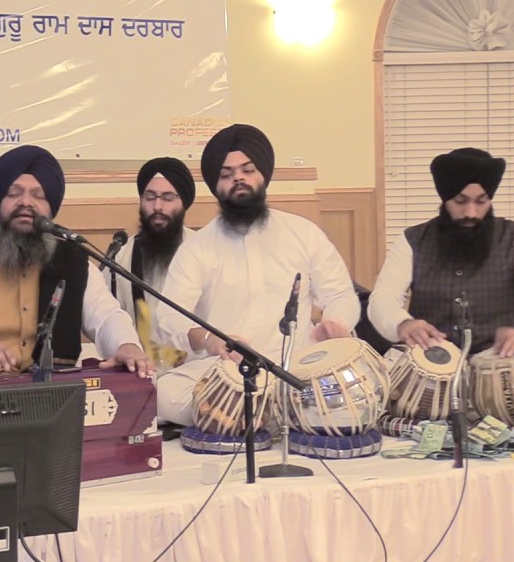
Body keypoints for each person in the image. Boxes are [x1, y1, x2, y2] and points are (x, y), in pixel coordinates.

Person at [154, 124, 360, 425]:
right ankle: (274, 415)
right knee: (164, 392)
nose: (239, 179)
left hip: (295, 367)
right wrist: (209, 340)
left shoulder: (303, 233)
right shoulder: (197, 248)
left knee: (352, 390)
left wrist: (335, 322)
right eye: (226, 175)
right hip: (225, 372)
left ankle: (242, 418)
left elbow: (340, 293)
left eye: (248, 170)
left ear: (262, 175)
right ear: (216, 186)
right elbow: (170, 316)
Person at [0, 145, 152, 382]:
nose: (25, 202)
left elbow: (107, 317)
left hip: (55, 395)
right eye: (14, 193)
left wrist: (126, 345)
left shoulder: (75, 264)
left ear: (51, 208)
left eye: (38, 195)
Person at [368, 147, 514, 357]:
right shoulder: (412, 240)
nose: (471, 213)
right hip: (431, 360)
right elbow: (383, 296)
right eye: (460, 201)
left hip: (501, 360)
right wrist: (403, 324)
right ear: (445, 199)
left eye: (481, 201)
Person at [102, 156, 196, 323]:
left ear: (184, 203)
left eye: (167, 198)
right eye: (150, 197)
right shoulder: (121, 258)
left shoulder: (202, 251)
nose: (157, 206)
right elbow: (107, 320)